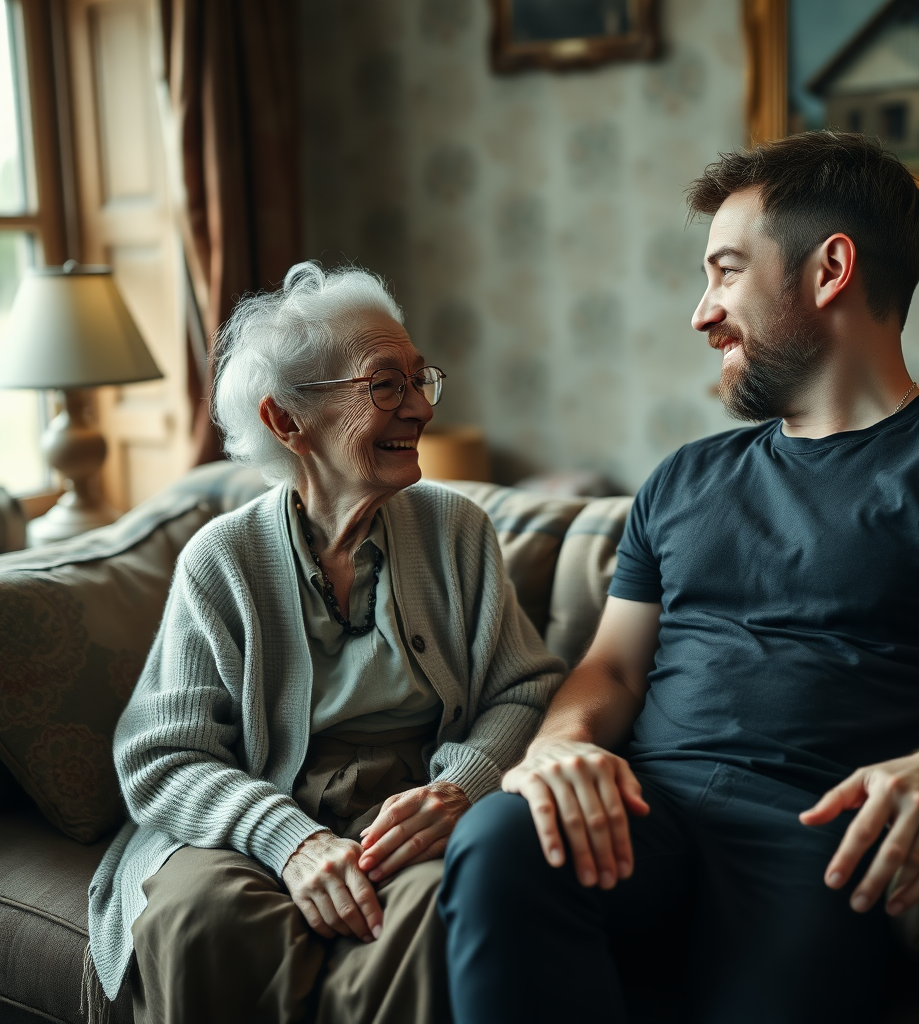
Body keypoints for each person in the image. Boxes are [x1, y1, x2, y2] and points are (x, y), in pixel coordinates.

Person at [438, 131, 919, 1024]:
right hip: (640, 814)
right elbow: (614, 670)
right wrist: (564, 744)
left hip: (815, 843)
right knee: (502, 839)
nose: (701, 313)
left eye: (726, 272)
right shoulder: (682, 477)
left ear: (830, 271)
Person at [85, 263, 564, 1024]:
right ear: (286, 421)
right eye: (385, 386)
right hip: (253, 809)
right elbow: (161, 756)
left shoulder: (456, 531)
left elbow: (525, 691)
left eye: (420, 379)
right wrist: (288, 840)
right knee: (200, 918)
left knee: (439, 909)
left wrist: (460, 788)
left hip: (408, 808)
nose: (419, 409)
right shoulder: (224, 558)